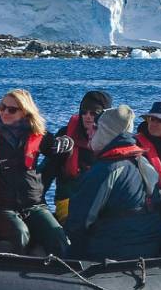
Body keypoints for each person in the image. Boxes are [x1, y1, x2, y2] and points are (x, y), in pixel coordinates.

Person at [65, 104, 161, 260]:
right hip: (148, 248)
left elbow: (79, 221)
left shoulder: (106, 169)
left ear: (106, 133)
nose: (90, 132)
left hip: (114, 252)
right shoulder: (143, 162)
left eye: (96, 128)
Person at [0, 89, 67, 256]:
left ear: (25, 112)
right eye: (2, 107)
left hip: (33, 205)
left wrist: (67, 143)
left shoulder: (39, 135)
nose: (4, 112)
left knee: (58, 237)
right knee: (20, 234)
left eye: (11, 109)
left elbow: (58, 150)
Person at [41, 90, 111, 221]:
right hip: (68, 202)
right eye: (83, 112)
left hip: (100, 203)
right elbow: (46, 172)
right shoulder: (65, 136)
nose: (87, 116)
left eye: (94, 113)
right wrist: (38, 204)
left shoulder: (111, 139)